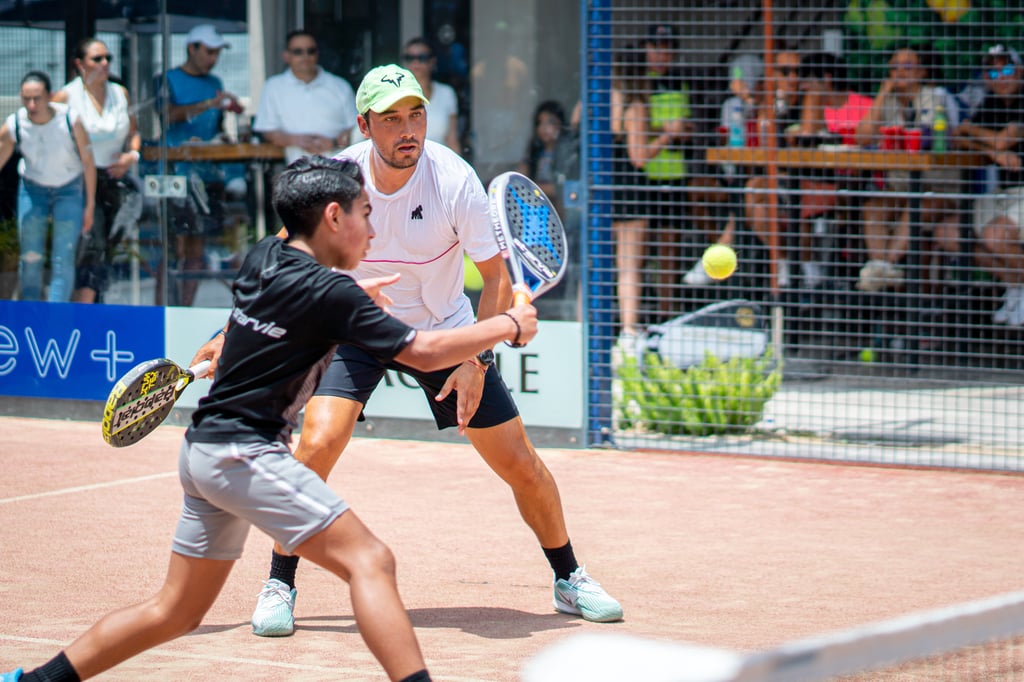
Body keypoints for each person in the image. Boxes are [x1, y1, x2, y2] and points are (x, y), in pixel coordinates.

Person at [0, 155, 539, 682]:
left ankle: (36, 680)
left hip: (202, 452)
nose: (374, 230)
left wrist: (340, 298)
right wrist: (506, 326)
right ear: (333, 218)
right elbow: (423, 351)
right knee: (371, 562)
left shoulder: (266, 258)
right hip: (243, 456)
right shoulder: (331, 295)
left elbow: (286, 309)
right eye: (365, 215)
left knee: (175, 612)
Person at [191, 64, 622, 638]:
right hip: (357, 328)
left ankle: (568, 576)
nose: (407, 129)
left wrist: (476, 361)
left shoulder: (454, 180)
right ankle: (280, 580)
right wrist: (229, 334)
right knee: (317, 442)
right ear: (365, 125)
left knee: (521, 464)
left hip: (443, 331)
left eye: (415, 114)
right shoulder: (336, 177)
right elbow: (282, 258)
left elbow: (494, 279)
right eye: (391, 119)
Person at [853, 46, 961, 293]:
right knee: (874, 208)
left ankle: (882, 268)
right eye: (895, 66)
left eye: (907, 66)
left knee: (916, 206)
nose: (899, 72)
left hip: (940, 189)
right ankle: (884, 270)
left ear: (922, 71)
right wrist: (882, 95)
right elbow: (862, 137)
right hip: (900, 188)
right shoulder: (888, 99)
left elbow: (937, 139)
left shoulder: (936, 96)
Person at [154, 23, 244, 306]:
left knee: (197, 248)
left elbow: (215, 128)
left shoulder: (215, 83)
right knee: (172, 249)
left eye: (217, 53)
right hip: (174, 174)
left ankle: (185, 309)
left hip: (206, 175)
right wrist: (210, 104)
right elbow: (167, 115)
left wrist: (226, 135)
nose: (213, 58)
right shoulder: (166, 79)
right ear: (191, 48)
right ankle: (163, 310)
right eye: (209, 51)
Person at [53, 37, 143, 304]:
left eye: (107, 58)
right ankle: (82, 310)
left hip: (114, 181)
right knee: (91, 248)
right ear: (80, 64)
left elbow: (133, 132)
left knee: (109, 250)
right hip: (81, 183)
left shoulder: (119, 93)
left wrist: (131, 156)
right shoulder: (66, 97)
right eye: (97, 59)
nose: (104, 64)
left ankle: (94, 308)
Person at [0, 71, 96, 302]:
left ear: (50, 96)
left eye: (37, 98)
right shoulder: (15, 124)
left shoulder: (70, 120)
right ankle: (32, 313)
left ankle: (56, 314)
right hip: (33, 190)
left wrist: (90, 204)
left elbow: (88, 162)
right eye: (26, 99)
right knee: (31, 256)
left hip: (69, 189)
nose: (32, 105)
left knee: (63, 256)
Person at [956, 44, 1024, 325]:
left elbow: (1001, 139)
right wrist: (994, 153)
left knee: (995, 237)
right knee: (955, 237)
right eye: (993, 71)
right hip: (1004, 194)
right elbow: (956, 137)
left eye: (1007, 69)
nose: (1001, 76)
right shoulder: (992, 103)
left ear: (1020, 71)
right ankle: (1017, 288)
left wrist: (974, 131)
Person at [796, 52, 874, 289]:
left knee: (804, 198)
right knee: (790, 196)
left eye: (807, 80)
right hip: (814, 180)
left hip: (856, 182)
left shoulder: (864, 106)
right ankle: (808, 273)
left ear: (826, 79)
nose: (802, 87)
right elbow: (805, 142)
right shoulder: (809, 109)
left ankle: (826, 272)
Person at [253, 30, 358, 165]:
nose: (305, 56)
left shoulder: (340, 86)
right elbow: (267, 130)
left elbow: (357, 127)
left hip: (340, 166)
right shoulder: (273, 87)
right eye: (298, 51)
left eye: (311, 51)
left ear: (317, 54)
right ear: (286, 56)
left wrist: (334, 142)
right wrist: (297, 141)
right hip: (297, 170)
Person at [401, 37, 461, 152]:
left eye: (422, 58)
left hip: (440, 164)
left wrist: (460, 167)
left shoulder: (446, 93)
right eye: (409, 58)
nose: (416, 63)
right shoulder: (395, 95)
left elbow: (452, 139)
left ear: (432, 61)